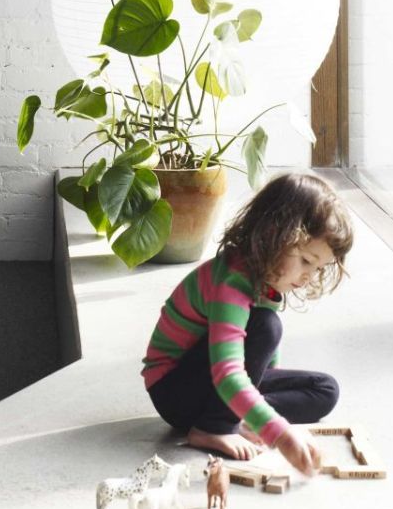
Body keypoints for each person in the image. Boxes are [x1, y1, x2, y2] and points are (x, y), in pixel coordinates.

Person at [141, 171, 353, 478]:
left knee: (325, 390)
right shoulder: (233, 281)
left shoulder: (264, 275)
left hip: (211, 381)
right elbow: (228, 373)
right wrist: (280, 434)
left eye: (317, 267)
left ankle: (239, 415)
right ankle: (211, 427)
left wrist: (261, 417)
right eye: (306, 261)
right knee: (267, 325)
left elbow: (262, 363)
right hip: (174, 391)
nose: (309, 275)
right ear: (276, 236)